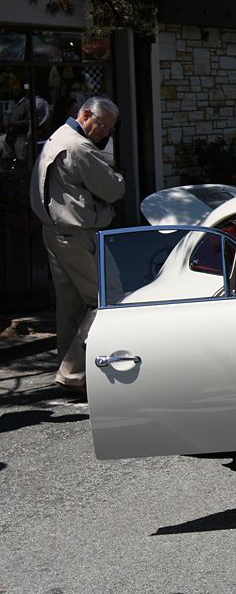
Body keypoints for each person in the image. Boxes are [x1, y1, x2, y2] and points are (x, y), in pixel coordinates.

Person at [29, 96, 125, 395]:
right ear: (85, 114)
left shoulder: (58, 136)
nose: (105, 133)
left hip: (54, 230)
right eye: (102, 125)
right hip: (77, 233)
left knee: (70, 308)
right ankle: (72, 372)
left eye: (109, 129)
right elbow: (112, 189)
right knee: (108, 301)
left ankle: (69, 372)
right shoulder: (79, 146)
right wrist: (118, 180)